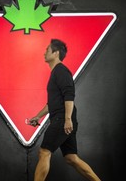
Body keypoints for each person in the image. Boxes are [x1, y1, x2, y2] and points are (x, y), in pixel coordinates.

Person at [28, 39, 101, 181]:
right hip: (63, 117)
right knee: (71, 158)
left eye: (47, 50)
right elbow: (53, 103)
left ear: (55, 53)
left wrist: (67, 119)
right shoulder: (56, 72)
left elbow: (69, 95)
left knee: (44, 152)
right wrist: (38, 116)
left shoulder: (61, 70)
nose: (44, 53)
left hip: (62, 119)